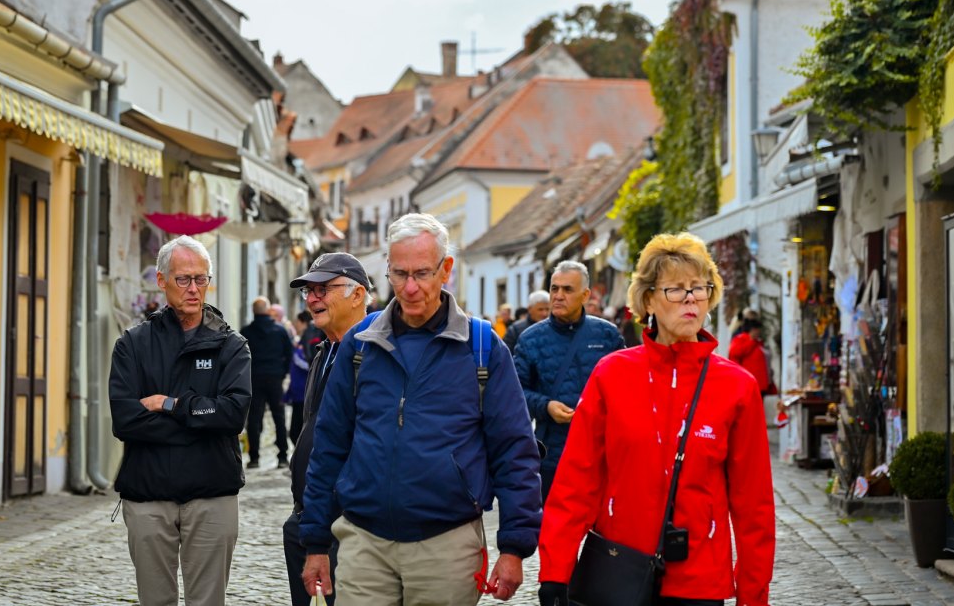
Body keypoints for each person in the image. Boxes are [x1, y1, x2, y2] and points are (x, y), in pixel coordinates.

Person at [301, 213, 542, 606]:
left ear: (446, 270)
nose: (410, 287)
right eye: (399, 274)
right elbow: (329, 445)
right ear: (388, 270)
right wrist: (315, 541)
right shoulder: (360, 344)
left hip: (447, 545)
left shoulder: (482, 348)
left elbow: (514, 450)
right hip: (364, 541)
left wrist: (514, 547)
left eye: (422, 273)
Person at [536, 232, 774, 606]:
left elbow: (754, 505)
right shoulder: (611, 375)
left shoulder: (737, 387)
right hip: (619, 570)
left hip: (699, 579)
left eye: (699, 288)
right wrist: (555, 572)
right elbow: (576, 481)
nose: (691, 299)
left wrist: (753, 596)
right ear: (648, 299)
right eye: (675, 289)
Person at [109, 236, 251, 606]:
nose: (193, 288)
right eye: (183, 279)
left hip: (213, 493)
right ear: (162, 280)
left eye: (201, 279)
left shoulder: (231, 345)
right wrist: (201, 422)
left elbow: (233, 415)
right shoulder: (133, 344)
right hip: (148, 494)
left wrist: (170, 404)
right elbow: (125, 421)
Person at [282, 252, 371, 606]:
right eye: (309, 291)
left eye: (324, 289)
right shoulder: (324, 352)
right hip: (309, 515)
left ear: (358, 294)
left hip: (349, 522)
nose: (313, 299)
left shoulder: (374, 354)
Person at [514, 261, 622, 502]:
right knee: (553, 521)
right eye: (554, 288)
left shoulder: (608, 335)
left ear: (585, 295)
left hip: (600, 452)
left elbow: (625, 390)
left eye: (567, 289)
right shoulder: (530, 339)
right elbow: (515, 393)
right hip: (552, 455)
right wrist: (546, 406)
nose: (558, 296)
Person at [243, 296, 294, 469]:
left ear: (253, 311)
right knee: (279, 417)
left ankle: (254, 458)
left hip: (254, 378)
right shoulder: (280, 330)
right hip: (275, 378)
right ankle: (283, 456)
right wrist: (283, 372)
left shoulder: (246, 332)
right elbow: (289, 353)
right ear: (268, 310)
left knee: (254, 418)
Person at [728, 318, 773, 395]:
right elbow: (735, 353)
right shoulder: (741, 339)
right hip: (747, 382)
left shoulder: (758, 341)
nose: (759, 332)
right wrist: (751, 341)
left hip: (759, 383)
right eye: (757, 330)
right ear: (752, 330)